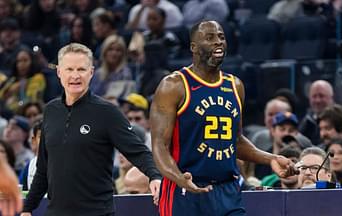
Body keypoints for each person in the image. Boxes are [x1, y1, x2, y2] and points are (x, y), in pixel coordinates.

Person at [150, 20, 295, 216]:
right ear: (193, 47)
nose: (218, 42)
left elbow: (235, 141)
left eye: (221, 37)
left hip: (227, 190)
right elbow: (160, 145)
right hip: (184, 190)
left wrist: (271, 158)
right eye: (210, 38)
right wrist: (177, 177)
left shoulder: (235, 85)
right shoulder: (174, 85)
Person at [21, 43, 162, 216]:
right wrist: (28, 208)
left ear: (91, 72)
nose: (75, 76)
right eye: (69, 69)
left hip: (96, 212)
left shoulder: (107, 112)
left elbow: (138, 151)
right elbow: (43, 167)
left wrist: (154, 176)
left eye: (81, 69)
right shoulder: (51, 111)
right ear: (59, 72)